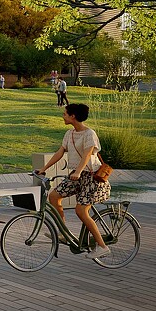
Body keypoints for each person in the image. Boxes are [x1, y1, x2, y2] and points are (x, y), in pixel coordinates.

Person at [37, 103, 112, 259]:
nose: (63, 116)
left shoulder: (89, 134)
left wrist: (78, 171)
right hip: (76, 175)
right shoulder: (69, 133)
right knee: (54, 196)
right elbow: (59, 153)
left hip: (91, 177)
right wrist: (44, 168)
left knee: (81, 211)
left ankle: (102, 247)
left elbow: (87, 155)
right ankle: (63, 233)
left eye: (65, 114)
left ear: (73, 116)